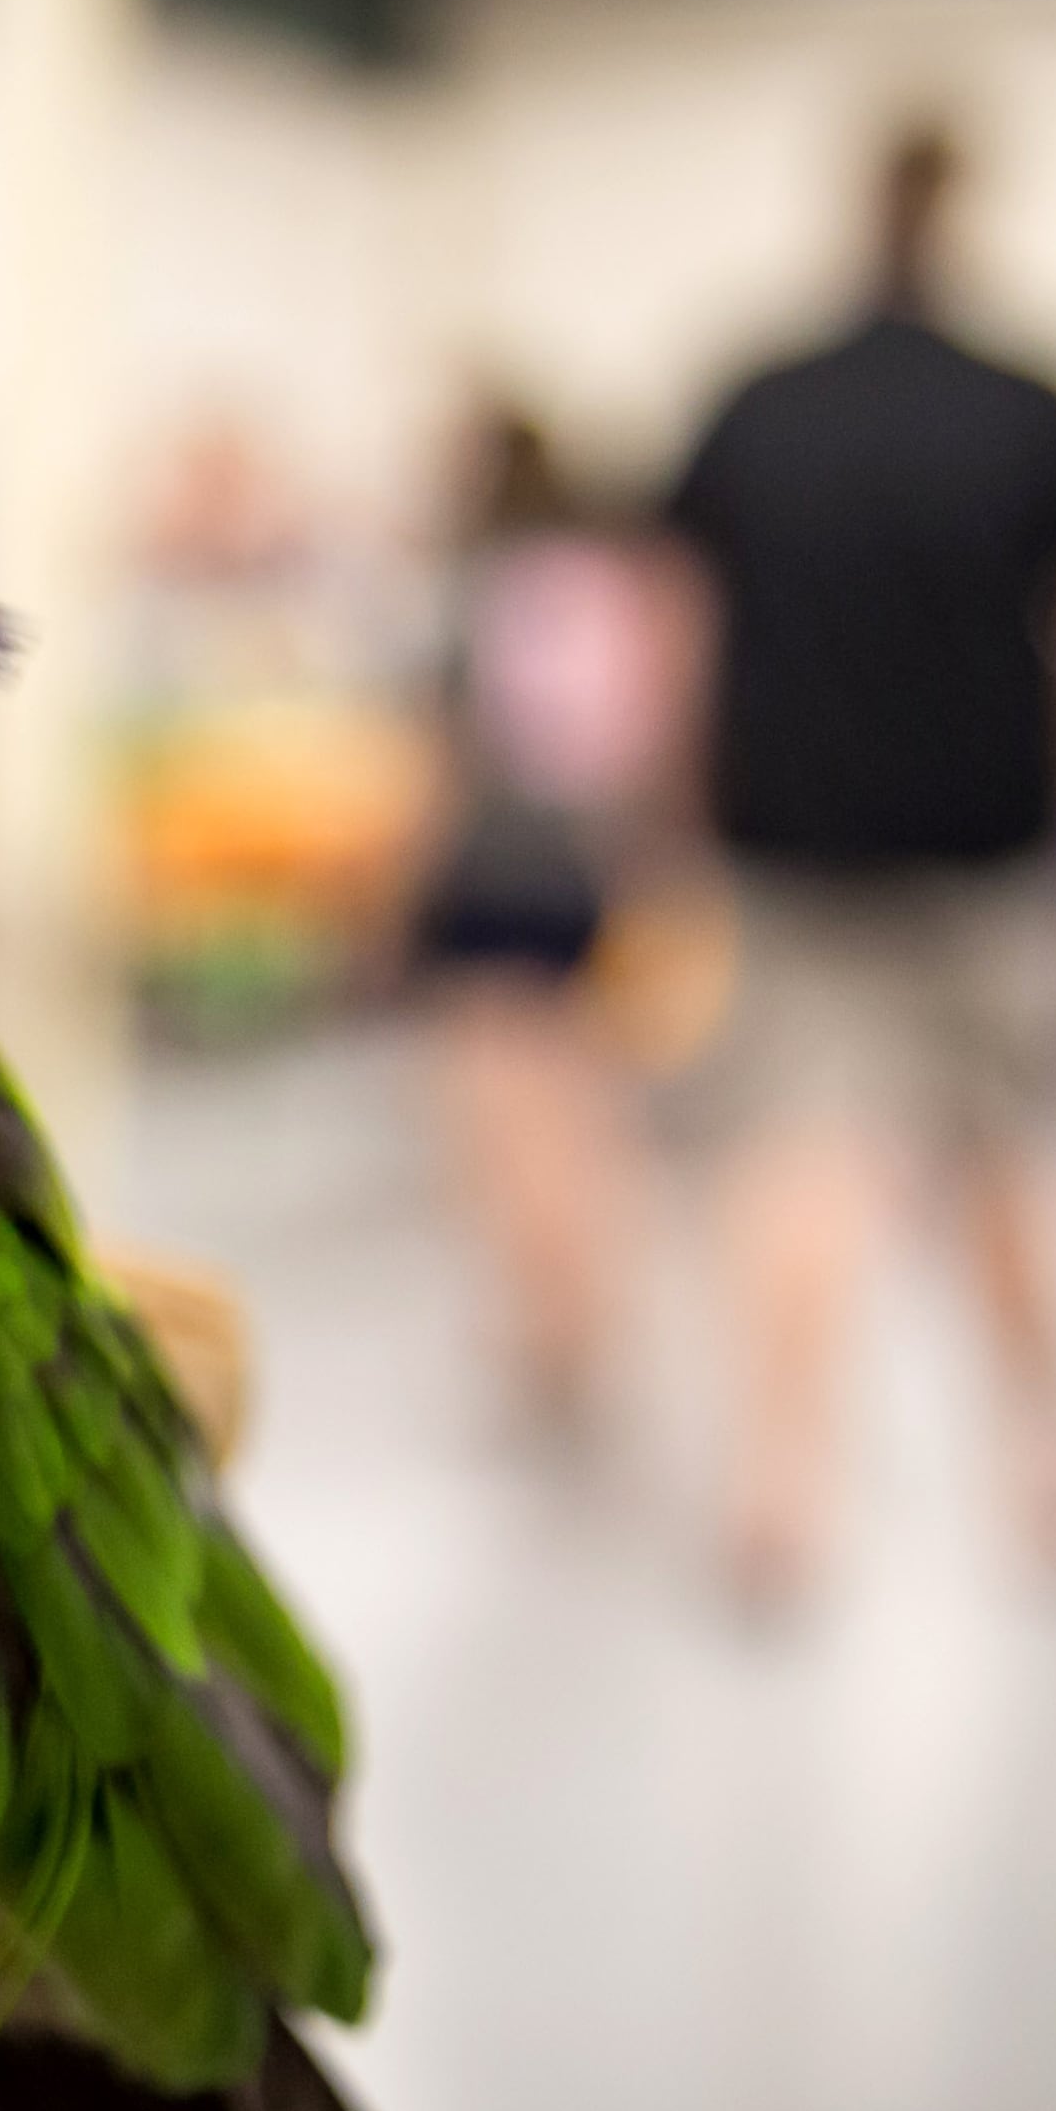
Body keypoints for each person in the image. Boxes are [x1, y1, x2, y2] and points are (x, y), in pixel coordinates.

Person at [663, 120, 1056, 1606]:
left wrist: (681, 810)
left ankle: (782, 1488)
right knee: (1003, 1156)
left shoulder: (758, 400)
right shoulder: (1035, 403)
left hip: (795, 844)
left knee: (794, 1162)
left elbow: (682, 625)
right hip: (991, 842)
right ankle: (1051, 1464)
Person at [407, 405, 691, 1438]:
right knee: (590, 1096)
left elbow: (445, 754)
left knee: (499, 1103)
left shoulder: (479, 588)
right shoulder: (610, 582)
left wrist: (397, 889)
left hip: (493, 862)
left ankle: (542, 1320)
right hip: (597, 858)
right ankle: (596, 1307)